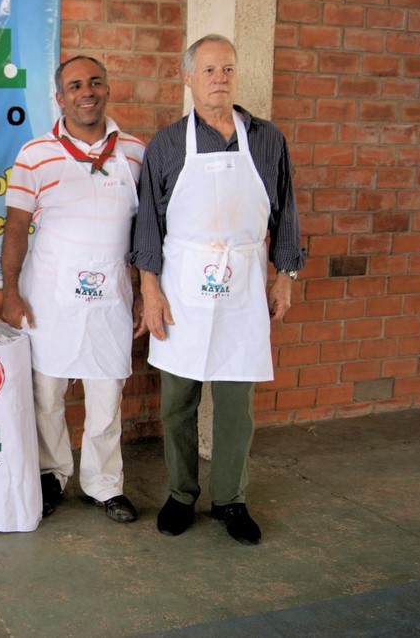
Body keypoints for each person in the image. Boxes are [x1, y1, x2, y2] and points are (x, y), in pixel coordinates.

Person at [130, 34, 305, 545]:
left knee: (235, 406)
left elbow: (287, 211)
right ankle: (181, 494)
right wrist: (150, 290)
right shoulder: (166, 145)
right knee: (176, 403)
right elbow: (148, 226)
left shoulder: (268, 140)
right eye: (208, 70)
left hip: (243, 287)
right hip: (182, 288)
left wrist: (284, 276)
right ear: (188, 78)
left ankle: (230, 497)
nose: (219, 79)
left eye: (227, 69)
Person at [1, 56, 145, 522]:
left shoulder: (136, 153)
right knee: (46, 393)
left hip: (112, 299)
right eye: (76, 85)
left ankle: (105, 484)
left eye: (95, 83)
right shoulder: (35, 153)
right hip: (50, 296)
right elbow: (16, 228)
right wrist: (10, 293)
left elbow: (147, 232)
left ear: (107, 90)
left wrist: (146, 292)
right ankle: (51, 474)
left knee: (107, 394)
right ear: (60, 98)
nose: (87, 92)